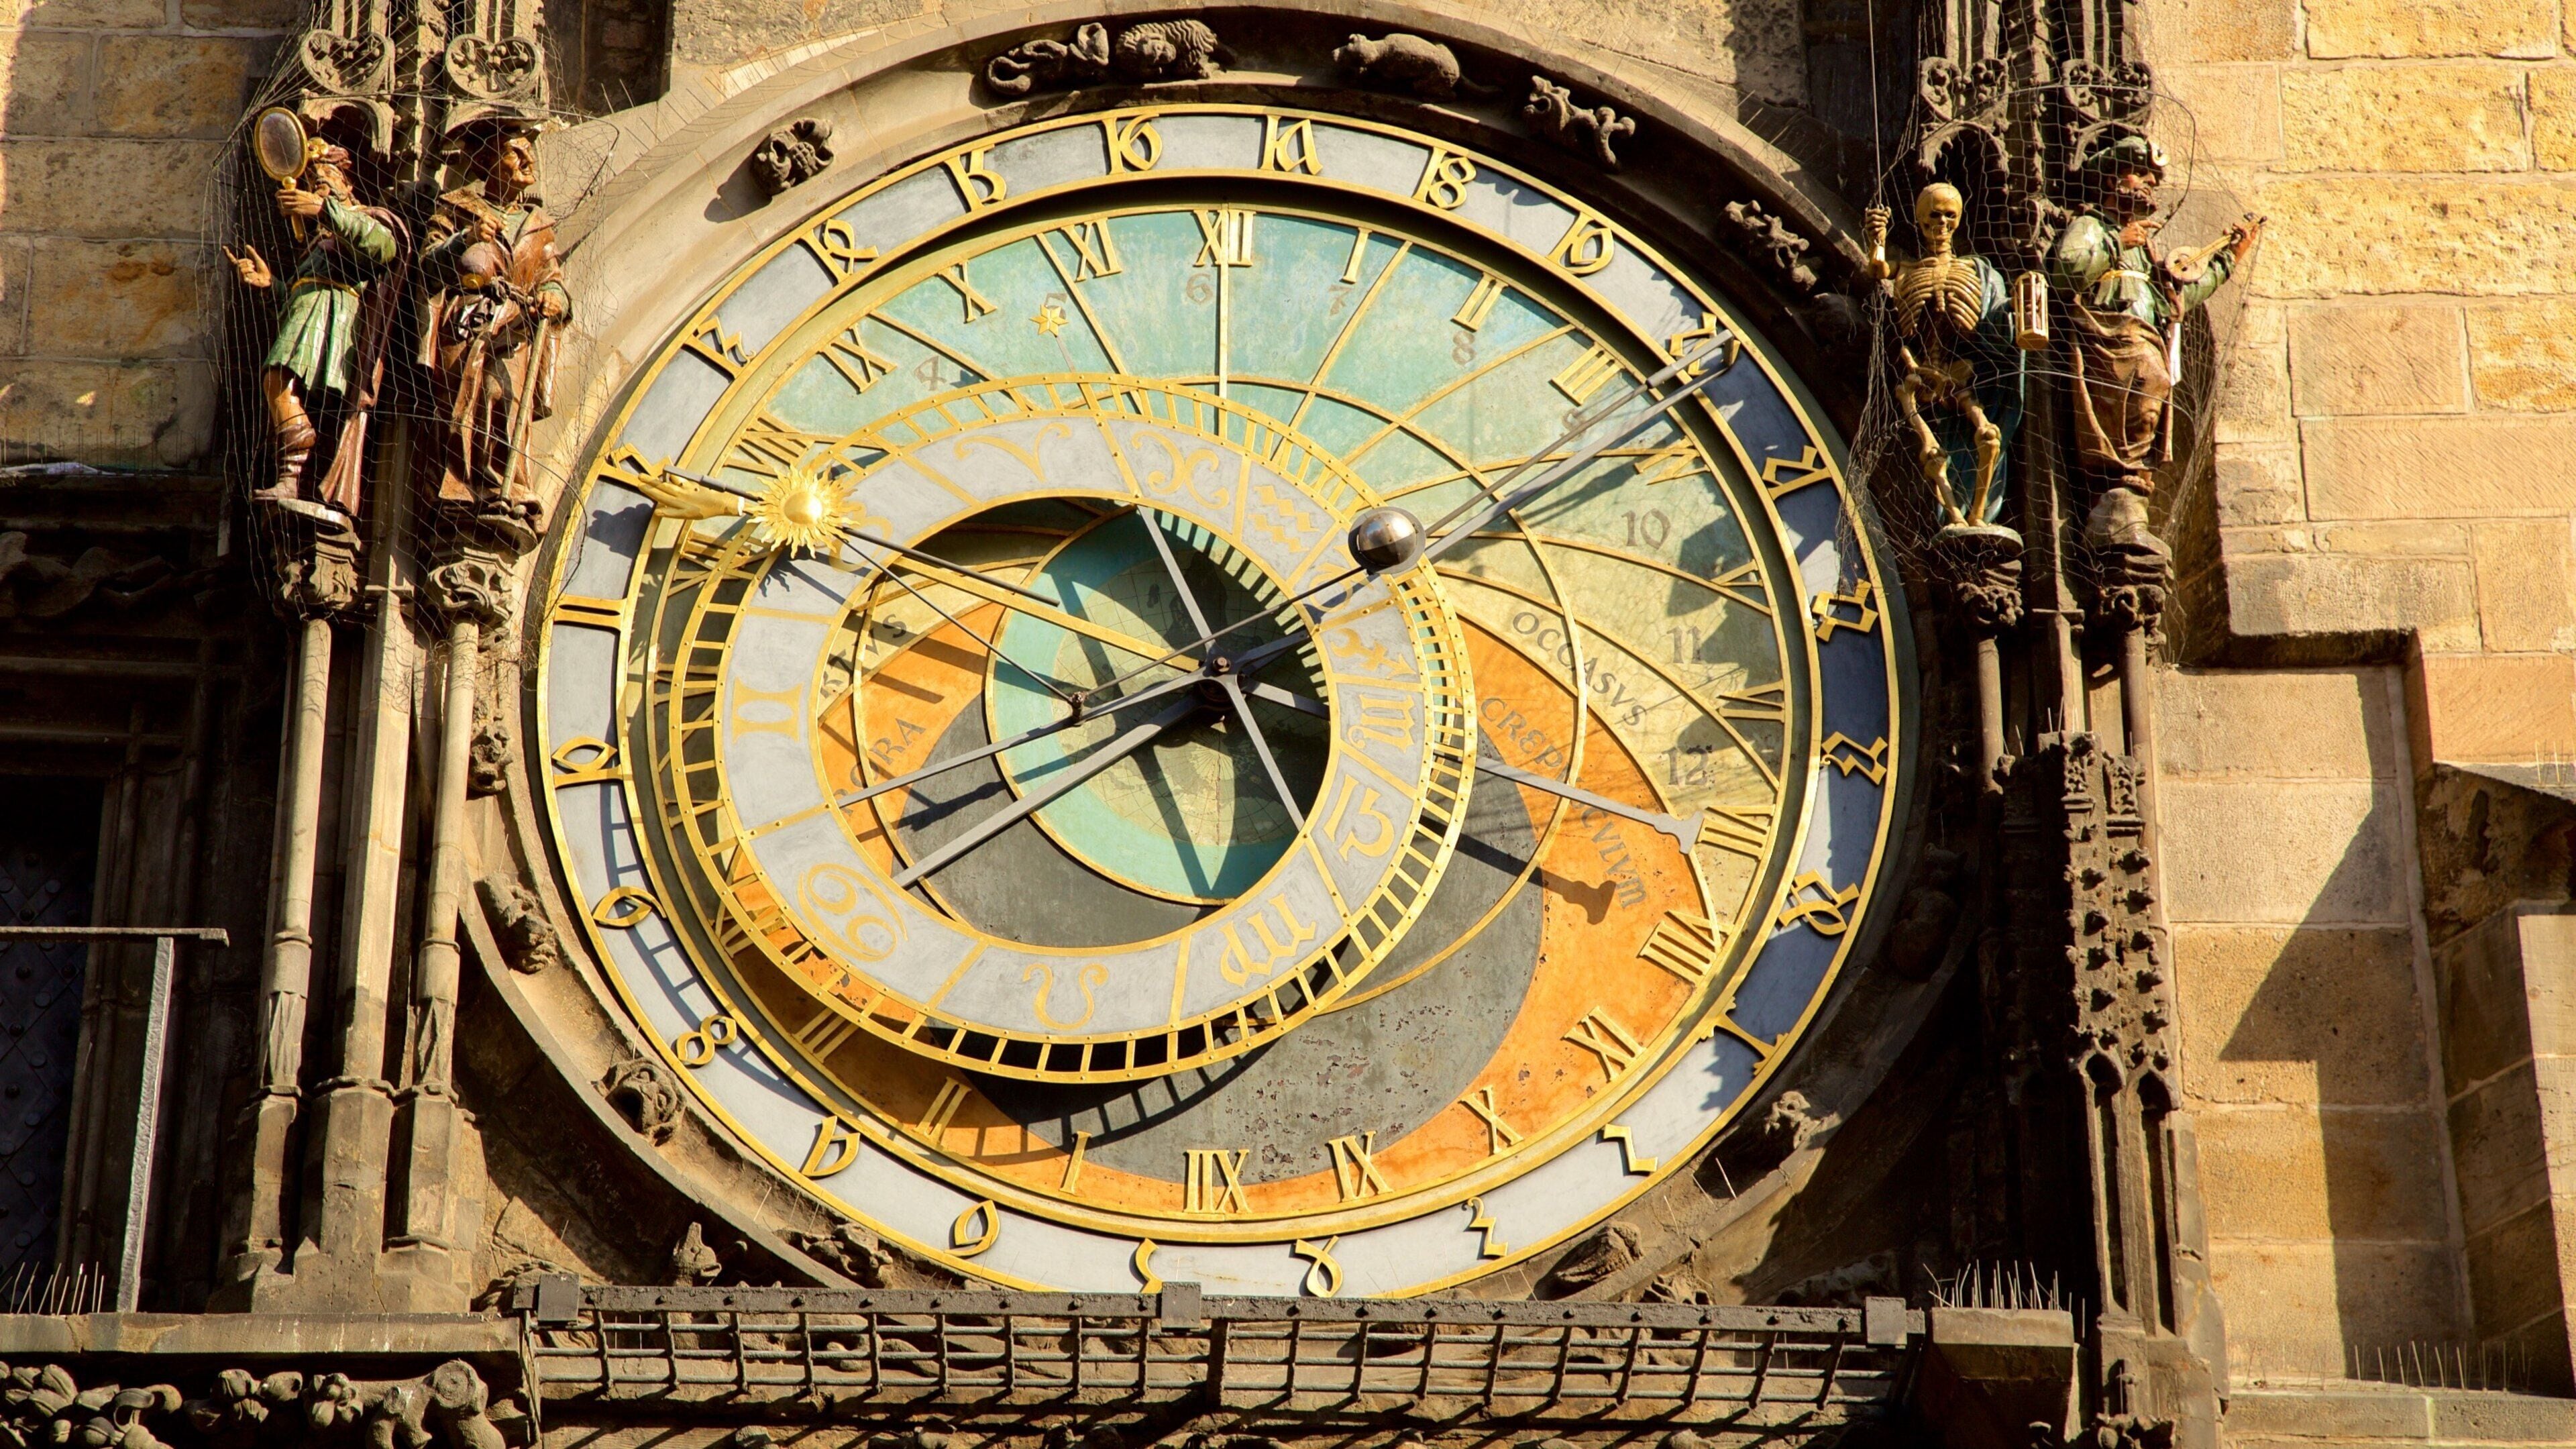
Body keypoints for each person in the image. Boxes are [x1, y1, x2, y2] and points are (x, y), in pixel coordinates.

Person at [2047, 134, 2262, 550]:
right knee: (2143, 385)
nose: (2148, 182)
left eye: (2152, 177)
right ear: (2112, 181)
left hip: (2145, 338)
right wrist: (2115, 243)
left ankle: (2129, 490)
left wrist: (2229, 258)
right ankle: (2114, 496)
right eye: (2139, 172)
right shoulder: (2092, 225)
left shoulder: (2146, 247)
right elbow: (2065, 270)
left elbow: (2176, 300)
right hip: (2109, 338)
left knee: (2151, 398)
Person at [223, 144, 406, 513]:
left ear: (346, 183)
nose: (315, 189)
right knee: (279, 382)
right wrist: (271, 284)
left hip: (333, 315)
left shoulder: (368, 218)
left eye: (323, 182)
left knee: (278, 379)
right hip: (307, 310)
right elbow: (298, 290)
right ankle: (291, 480)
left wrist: (325, 208)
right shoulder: (318, 243)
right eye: (312, 184)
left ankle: (297, 475)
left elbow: (385, 247)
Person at [415, 121, 572, 541]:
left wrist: (555, 296)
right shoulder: (457, 208)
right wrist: (464, 237)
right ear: (488, 161)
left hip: (516, 323)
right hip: (469, 318)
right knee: (467, 398)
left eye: (528, 153)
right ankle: (461, 486)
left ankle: (508, 486)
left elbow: (550, 274)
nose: (527, 160)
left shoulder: (538, 225)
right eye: (515, 153)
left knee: (505, 396)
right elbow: (428, 265)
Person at [1866, 182, 2029, 531]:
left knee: (1988, 435)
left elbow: (1995, 318)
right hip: (1921, 372)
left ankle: (1977, 513)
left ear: (1958, 222)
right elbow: (1877, 270)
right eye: (1933, 217)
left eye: (1949, 217)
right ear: (1920, 222)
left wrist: (2016, 309)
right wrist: (1876, 239)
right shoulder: (1907, 269)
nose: (1941, 224)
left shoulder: (1978, 272)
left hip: (1963, 371)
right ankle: (1953, 513)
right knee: (1934, 449)